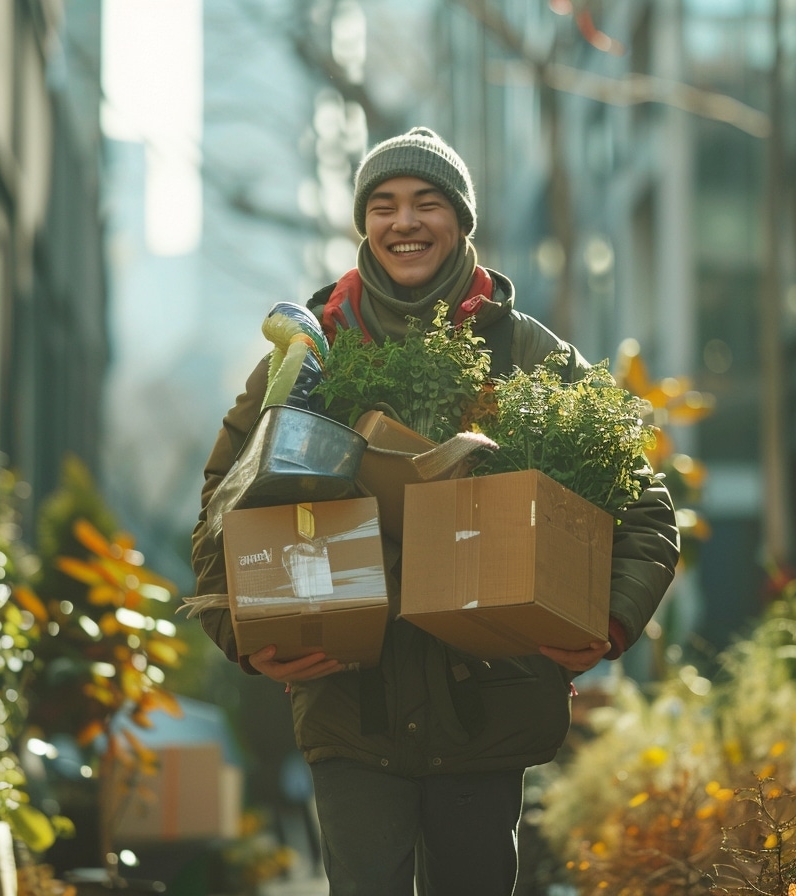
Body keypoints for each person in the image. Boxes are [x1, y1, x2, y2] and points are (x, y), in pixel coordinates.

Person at [190, 127, 680, 896]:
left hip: (488, 707)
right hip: (351, 706)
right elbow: (220, 514)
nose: (404, 221)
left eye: (427, 203)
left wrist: (606, 624)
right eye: (382, 205)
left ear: (460, 222)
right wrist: (250, 641)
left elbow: (646, 509)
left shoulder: (528, 355)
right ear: (364, 224)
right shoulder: (310, 355)